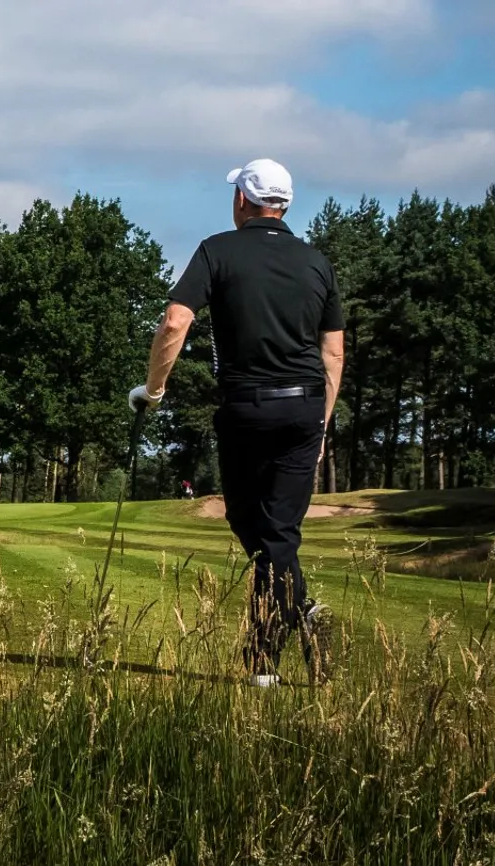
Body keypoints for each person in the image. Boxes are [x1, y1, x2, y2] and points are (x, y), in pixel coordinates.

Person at [130, 158, 344, 687]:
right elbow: (333, 354)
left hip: (246, 409)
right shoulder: (316, 262)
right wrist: (322, 424)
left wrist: (154, 391)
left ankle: (263, 666)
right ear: (285, 205)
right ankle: (304, 612)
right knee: (273, 534)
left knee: (263, 531)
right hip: (302, 410)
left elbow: (177, 320)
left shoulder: (218, 250)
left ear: (243, 201)